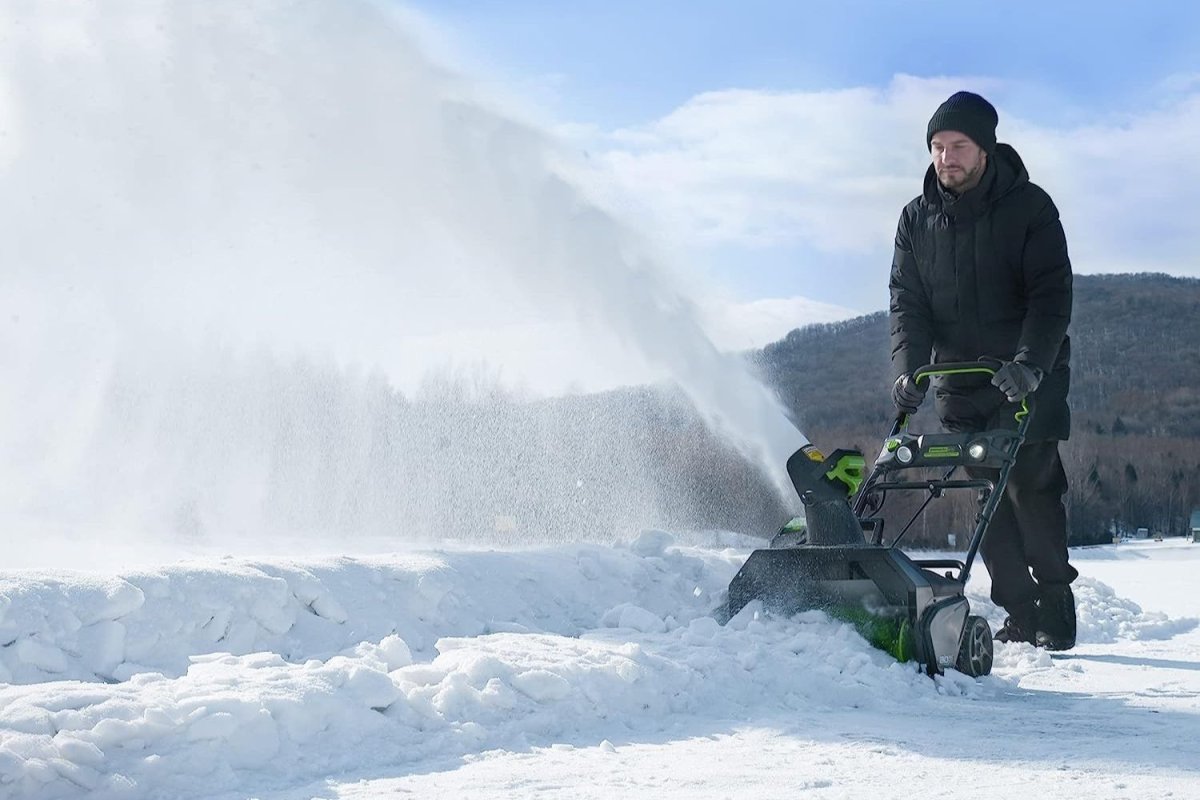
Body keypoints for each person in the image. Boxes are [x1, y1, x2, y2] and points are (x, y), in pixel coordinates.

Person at [887, 91, 1077, 650]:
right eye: (938, 147)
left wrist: (1030, 364)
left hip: (1026, 378)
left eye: (959, 146)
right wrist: (909, 372)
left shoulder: (1030, 208)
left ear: (985, 150)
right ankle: (1018, 612)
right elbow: (907, 303)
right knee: (988, 497)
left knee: (1030, 492)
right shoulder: (915, 219)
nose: (947, 158)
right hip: (958, 382)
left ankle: (1055, 608)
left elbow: (1051, 295)